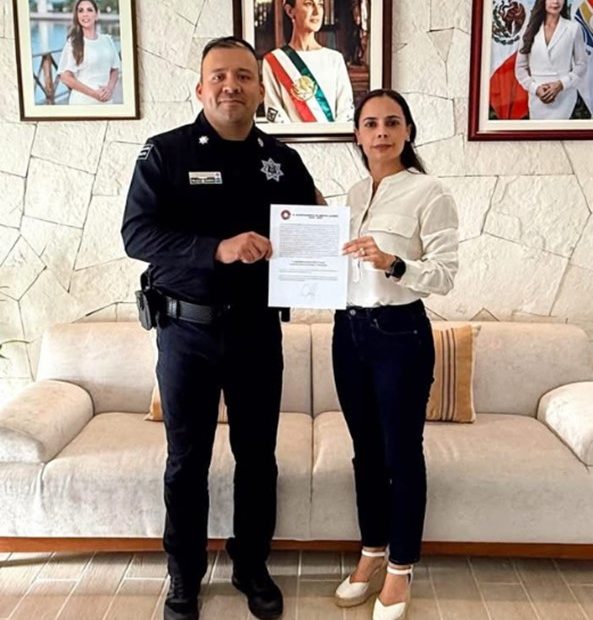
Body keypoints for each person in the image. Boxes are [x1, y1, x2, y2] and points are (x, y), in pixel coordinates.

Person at [121, 36, 318, 620]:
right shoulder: (165, 153)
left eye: (243, 76)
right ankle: (184, 574)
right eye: (220, 76)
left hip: (257, 333)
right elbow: (137, 235)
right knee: (187, 461)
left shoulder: (282, 160)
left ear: (259, 89)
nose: (231, 85)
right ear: (201, 88)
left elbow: (310, 228)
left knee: (258, 457)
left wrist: (325, 233)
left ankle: (251, 566)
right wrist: (217, 249)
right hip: (187, 334)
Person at [332, 90, 458, 620]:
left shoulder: (430, 191)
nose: (380, 132)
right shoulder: (354, 193)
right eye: (370, 124)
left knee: (401, 453)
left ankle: (401, 567)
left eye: (391, 122)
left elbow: (445, 275)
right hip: (348, 331)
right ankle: (372, 551)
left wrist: (394, 262)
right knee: (365, 451)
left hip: (399, 333)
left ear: (407, 131)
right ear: (357, 135)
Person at [262, 0, 354, 123]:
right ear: (290, 11)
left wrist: (332, 135)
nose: (317, 12)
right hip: (290, 135)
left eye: (320, 5)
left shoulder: (334, 59)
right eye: (309, 4)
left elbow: (346, 110)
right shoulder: (274, 60)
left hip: (332, 135)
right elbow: (275, 111)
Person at [515, 0, 587, 119]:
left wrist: (561, 85)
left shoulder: (573, 28)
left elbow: (581, 64)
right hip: (537, 99)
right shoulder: (528, 29)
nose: (556, 2)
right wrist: (535, 89)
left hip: (565, 97)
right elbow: (520, 68)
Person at [57, 0, 120, 105]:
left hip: (106, 101)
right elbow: (65, 77)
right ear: (77, 16)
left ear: (97, 14)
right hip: (82, 102)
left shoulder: (107, 40)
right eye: (81, 11)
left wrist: (110, 89)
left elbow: (115, 69)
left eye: (89, 10)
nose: (85, 14)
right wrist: (94, 94)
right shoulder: (73, 43)